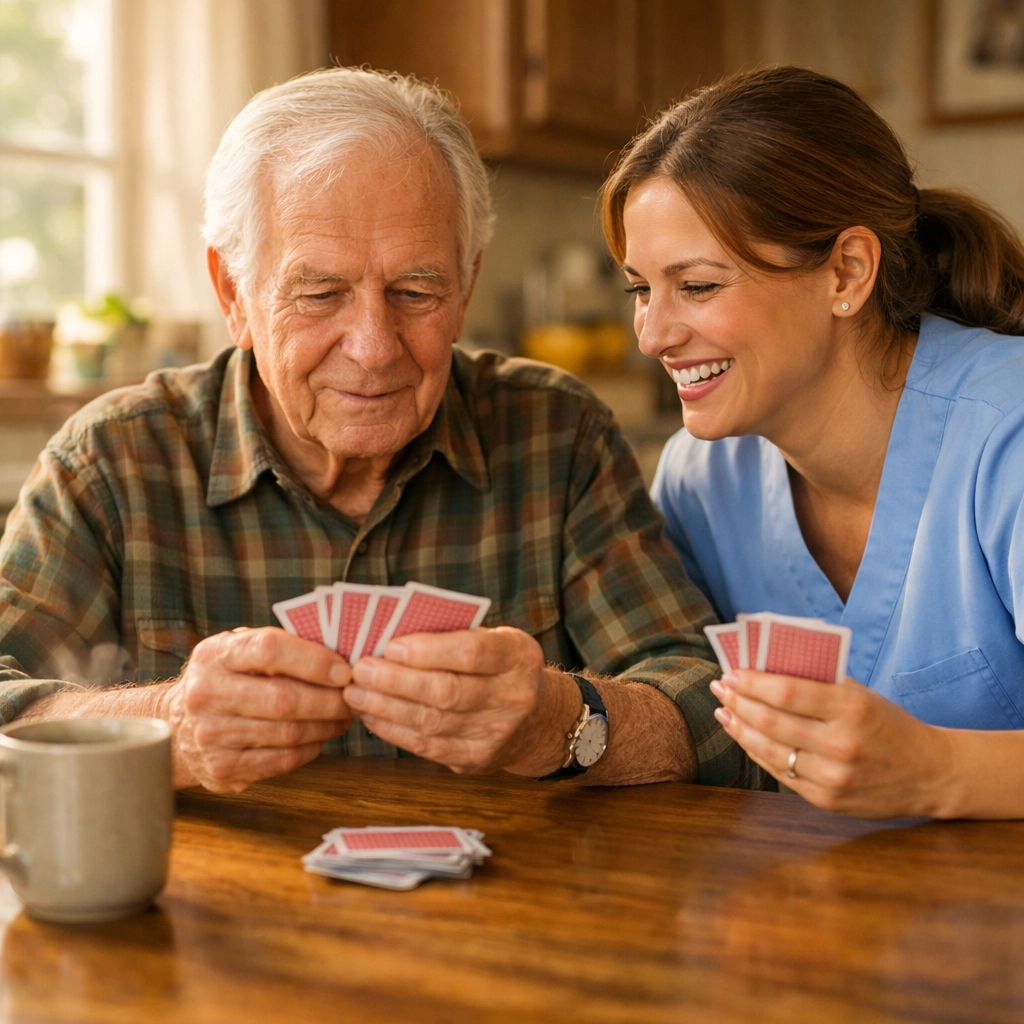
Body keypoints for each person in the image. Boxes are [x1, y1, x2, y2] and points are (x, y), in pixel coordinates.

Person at [0, 68, 754, 794]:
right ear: (234, 292)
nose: (373, 346)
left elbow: (707, 711)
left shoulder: (556, 436)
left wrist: (562, 721)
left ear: (465, 287)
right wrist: (163, 724)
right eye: (321, 293)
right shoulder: (111, 463)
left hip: (506, 914)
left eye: (416, 291)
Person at [600, 64, 1024, 819]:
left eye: (695, 286)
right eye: (640, 289)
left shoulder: (1007, 433)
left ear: (848, 272)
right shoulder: (701, 479)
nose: (652, 335)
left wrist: (941, 770)